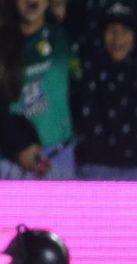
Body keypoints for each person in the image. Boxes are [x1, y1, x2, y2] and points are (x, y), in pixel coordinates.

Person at [72, 2, 137, 181]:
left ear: (135, 37)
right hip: (92, 165)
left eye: (125, 31)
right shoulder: (89, 63)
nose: (117, 39)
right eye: (111, 31)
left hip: (135, 167)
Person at [0, 0, 80, 180]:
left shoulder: (63, 36)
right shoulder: (3, 43)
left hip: (58, 153)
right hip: (12, 157)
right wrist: (17, 145)